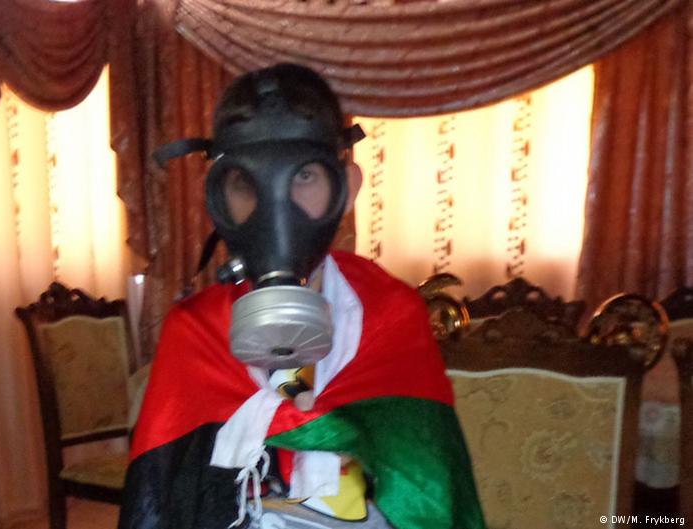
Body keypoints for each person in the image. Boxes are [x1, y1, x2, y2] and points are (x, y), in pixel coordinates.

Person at [119, 63, 484, 529]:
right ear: (220, 203)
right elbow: (162, 501)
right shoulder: (195, 331)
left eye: (304, 176)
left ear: (346, 189)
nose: (276, 209)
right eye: (247, 184)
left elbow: (430, 487)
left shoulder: (391, 315)